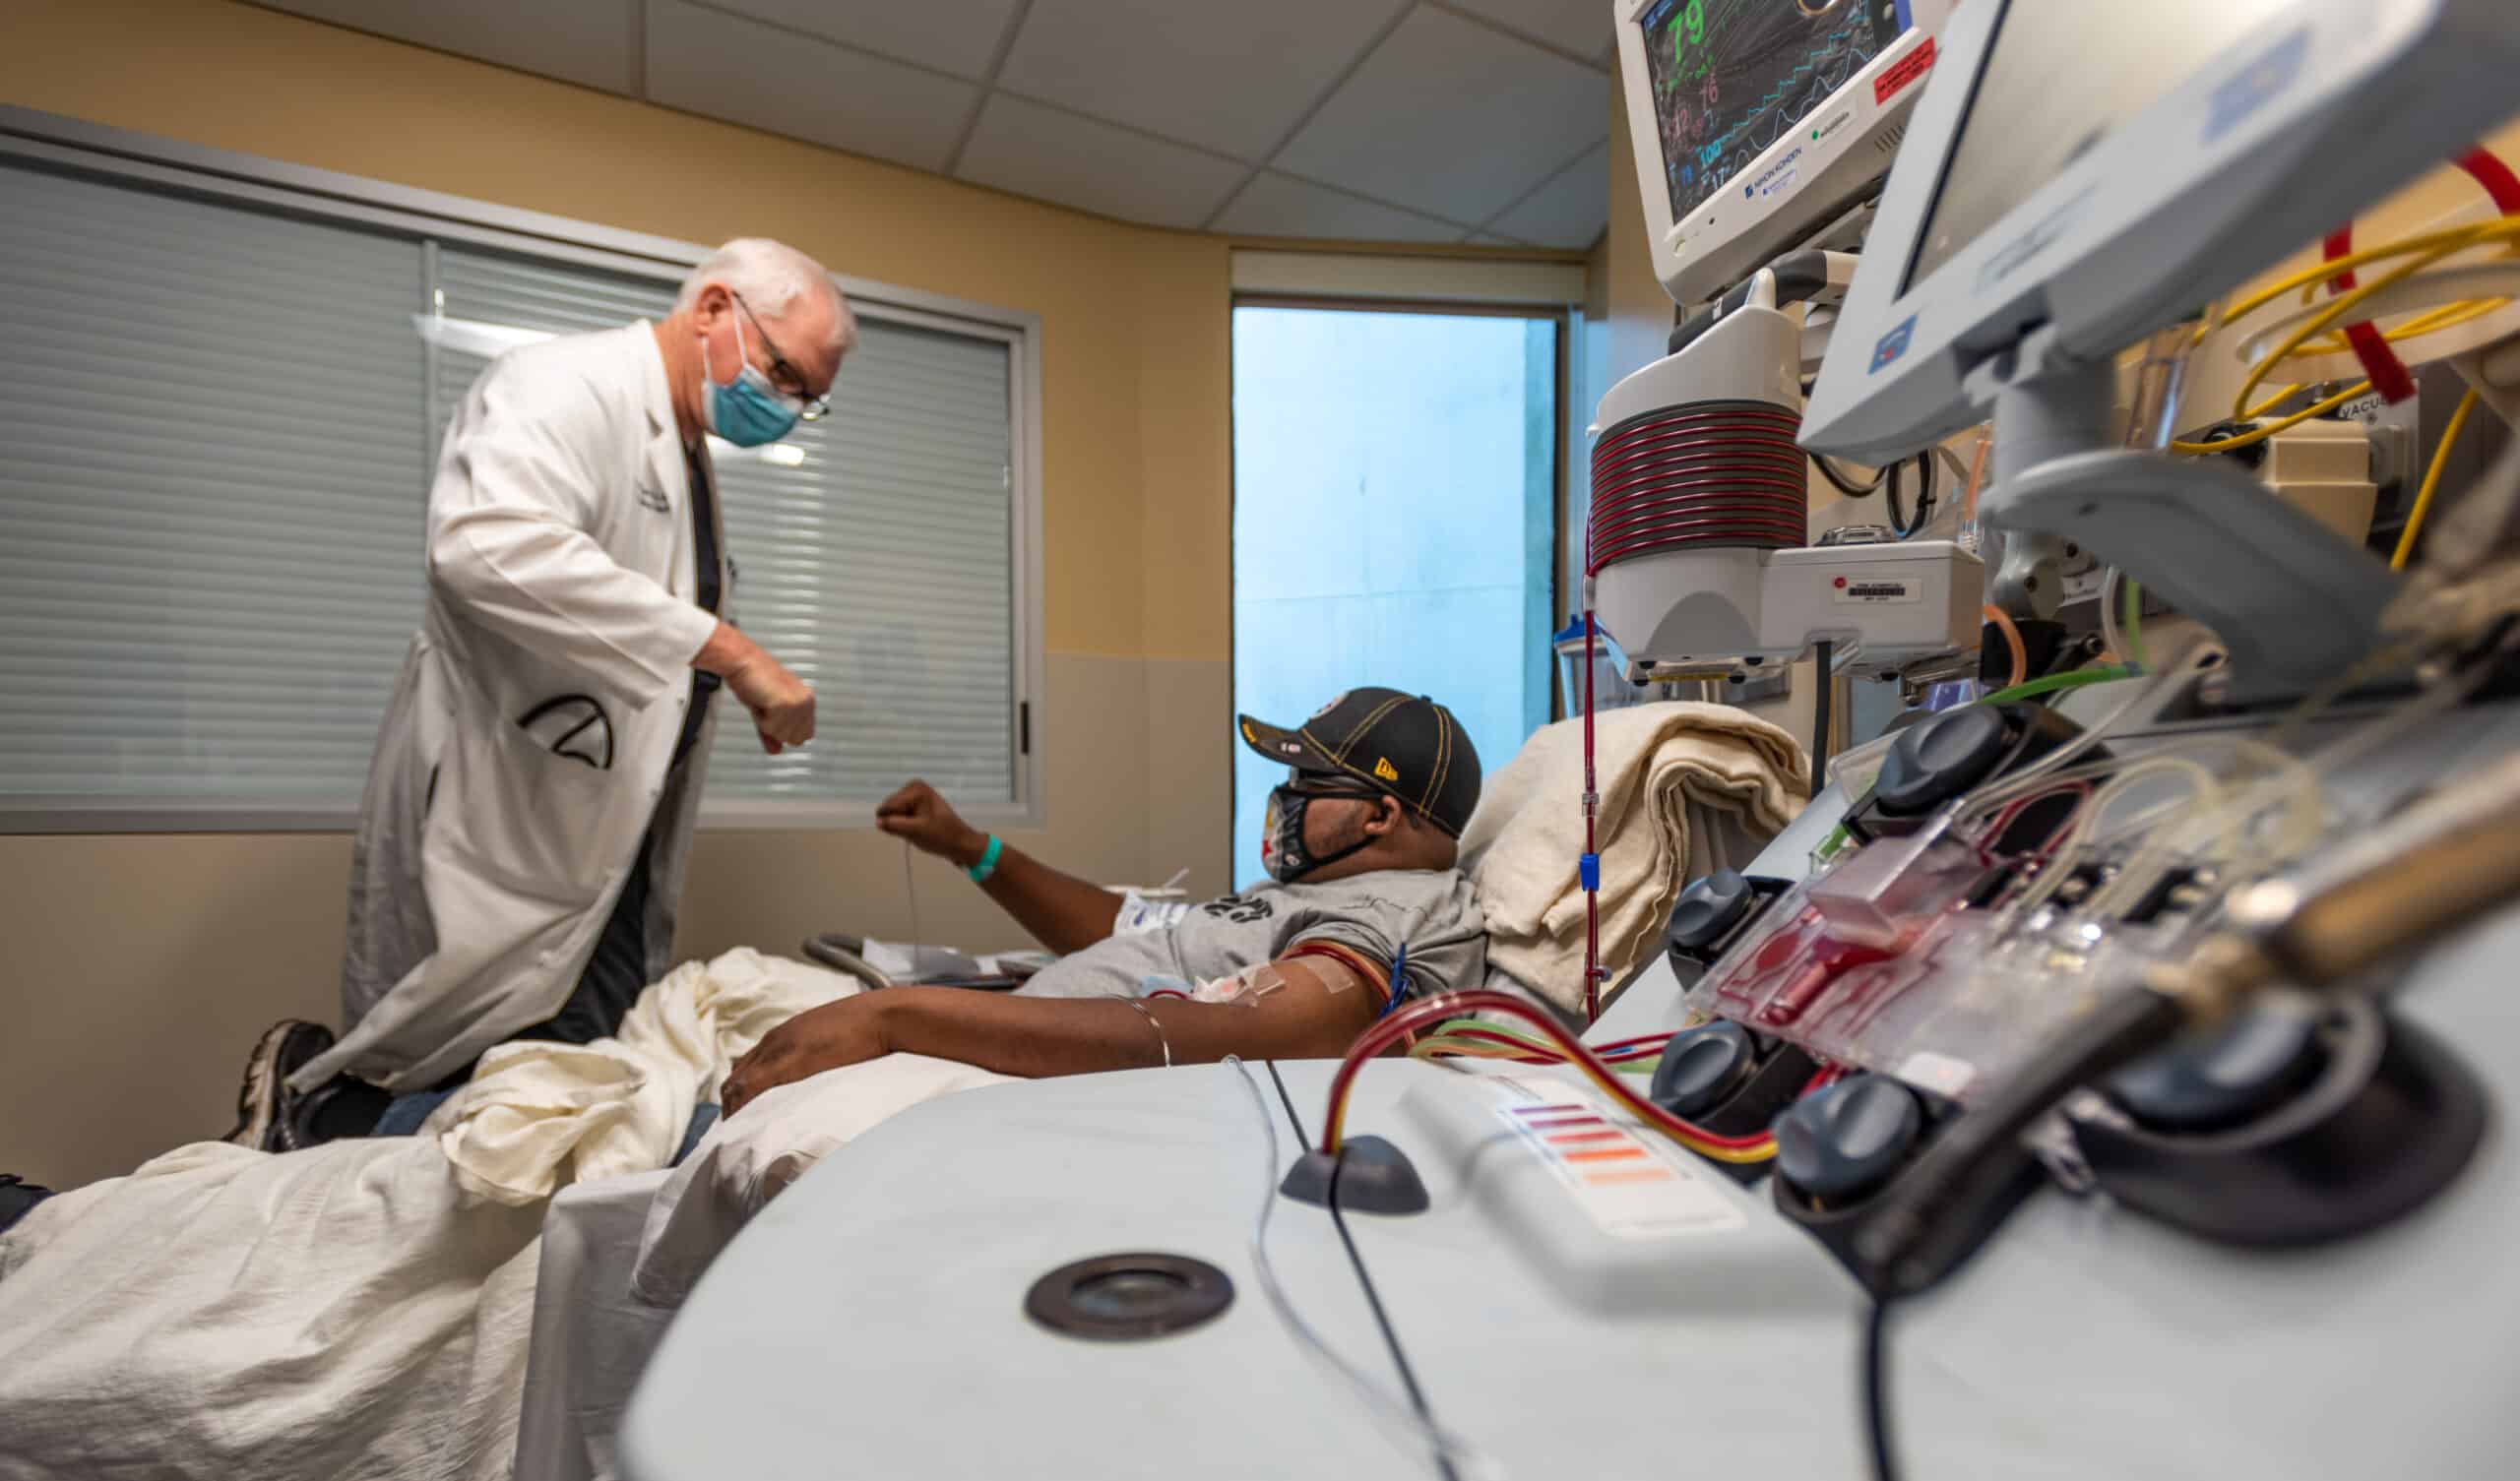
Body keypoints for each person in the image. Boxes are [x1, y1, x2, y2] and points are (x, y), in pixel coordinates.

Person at [232, 238, 856, 1150]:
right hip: (511, 823)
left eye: (808, 394)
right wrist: (728, 650)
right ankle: (319, 1120)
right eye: (784, 373)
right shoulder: (565, 385)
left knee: (557, 1109)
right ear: (715, 308)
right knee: (501, 1107)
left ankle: (342, 1131)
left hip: (598, 841)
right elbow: (484, 547)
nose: (790, 409)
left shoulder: (684, 453)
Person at [722, 686, 1489, 1112]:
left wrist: (897, 1017)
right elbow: (1130, 932)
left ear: (1380, 814)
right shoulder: (1297, 893)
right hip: (995, 1046)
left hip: (997, 1090)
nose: (1283, 801)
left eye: (1306, 788)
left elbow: (1238, 1028)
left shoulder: (1394, 914)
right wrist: (968, 847)